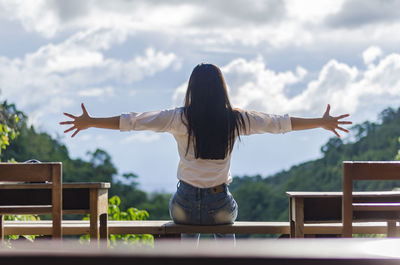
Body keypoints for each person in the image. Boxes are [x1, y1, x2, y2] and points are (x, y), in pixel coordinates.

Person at [60, 63, 352, 244]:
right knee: (226, 230)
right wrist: (321, 122)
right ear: (221, 89)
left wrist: (91, 121)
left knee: (186, 227)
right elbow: (279, 124)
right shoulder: (236, 119)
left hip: (184, 203)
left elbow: (132, 121)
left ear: (192, 90)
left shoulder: (178, 118)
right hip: (220, 204)